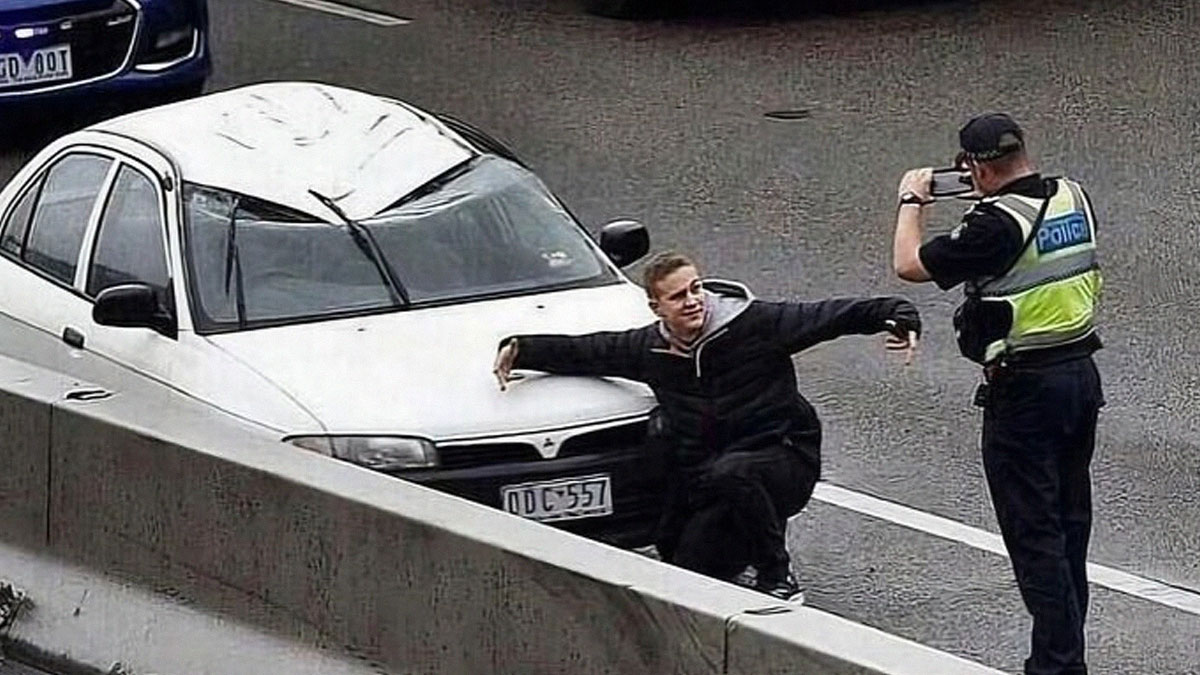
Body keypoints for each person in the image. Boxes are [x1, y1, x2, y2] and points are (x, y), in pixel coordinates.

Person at [492, 252, 921, 600]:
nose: (693, 301)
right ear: (657, 308)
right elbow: (592, 351)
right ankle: (732, 546)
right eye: (678, 296)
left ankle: (779, 576)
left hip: (785, 457)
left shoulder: (754, 325)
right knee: (687, 567)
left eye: (696, 288)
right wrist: (521, 349)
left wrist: (898, 316)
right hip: (717, 476)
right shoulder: (650, 349)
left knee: (735, 472)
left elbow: (834, 315)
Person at [891, 113, 1104, 675]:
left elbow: (908, 264)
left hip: (1025, 391)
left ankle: (1057, 667)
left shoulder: (994, 226)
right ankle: (1062, 656)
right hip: (1080, 377)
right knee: (1069, 530)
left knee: (1035, 539)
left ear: (976, 168)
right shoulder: (1073, 197)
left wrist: (911, 201)